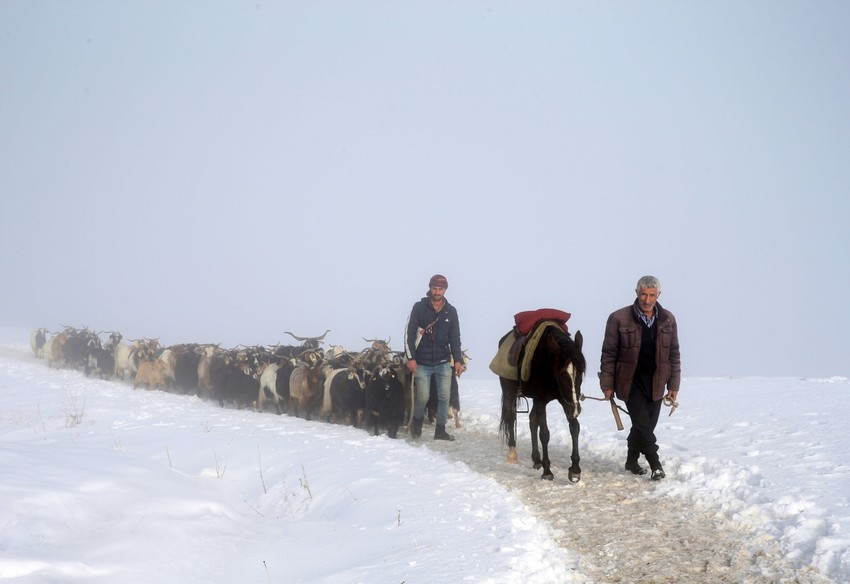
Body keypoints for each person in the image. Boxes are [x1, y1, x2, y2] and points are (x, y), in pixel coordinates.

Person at [600, 275, 680, 480]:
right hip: (629, 381)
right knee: (643, 425)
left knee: (644, 426)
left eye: (652, 295)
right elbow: (608, 354)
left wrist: (673, 385)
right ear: (636, 293)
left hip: (656, 383)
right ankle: (656, 465)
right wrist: (607, 384)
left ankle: (631, 461)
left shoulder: (668, 319)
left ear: (658, 295)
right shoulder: (618, 318)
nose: (647, 299)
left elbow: (674, 354)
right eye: (643, 294)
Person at [405, 274, 464, 441]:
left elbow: (455, 337)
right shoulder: (418, 307)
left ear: (445, 290)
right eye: (434, 288)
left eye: (440, 289)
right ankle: (416, 424)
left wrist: (457, 360)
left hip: (443, 361)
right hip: (422, 362)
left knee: (444, 397)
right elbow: (409, 334)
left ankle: (440, 430)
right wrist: (411, 358)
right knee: (422, 396)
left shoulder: (451, 311)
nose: (437, 292)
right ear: (430, 288)